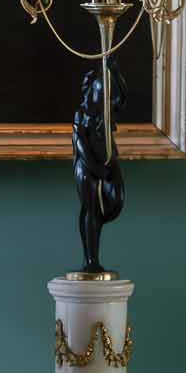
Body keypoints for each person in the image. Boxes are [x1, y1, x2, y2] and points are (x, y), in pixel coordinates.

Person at [73, 64, 126, 275]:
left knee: (115, 200)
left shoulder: (106, 112)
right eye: (101, 93)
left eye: (107, 94)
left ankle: (92, 258)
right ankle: (91, 260)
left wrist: (115, 70)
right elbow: (80, 145)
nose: (106, 97)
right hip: (86, 169)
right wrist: (95, 168)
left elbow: (122, 99)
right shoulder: (82, 114)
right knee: (91, 210)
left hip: (107, 165)